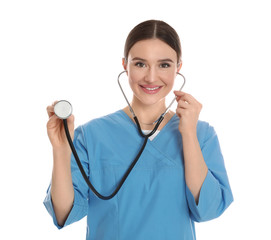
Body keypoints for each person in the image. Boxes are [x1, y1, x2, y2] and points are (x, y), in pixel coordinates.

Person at [44, 19, 233, 240]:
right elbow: (64, 212)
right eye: (140, 64)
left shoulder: (202, 135)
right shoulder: (91, 136)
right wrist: (60, 149)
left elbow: (209, 210)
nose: (151, 77)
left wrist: (188, 134)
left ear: (178, 67)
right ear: (125, 65)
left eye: (164, 64)